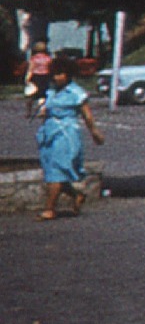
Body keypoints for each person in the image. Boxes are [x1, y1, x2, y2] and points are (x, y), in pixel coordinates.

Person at [36, 59, 102, 219]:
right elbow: (48, 109)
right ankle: (76, 195)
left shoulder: (76, 93)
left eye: (60, 74)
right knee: (52, 170)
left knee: (57, 170)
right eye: (54, 74)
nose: (56, 77)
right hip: (50, 133)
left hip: (66, 135)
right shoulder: (52, 92)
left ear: (68, 74)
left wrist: (95, 133)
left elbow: (87, 115)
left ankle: (50, 209)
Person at [23, 39, 50, 118]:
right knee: (42, 95)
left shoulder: (34, 59)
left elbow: (30, 69)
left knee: (31, 95)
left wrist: (27, 78)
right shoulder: (48, 59)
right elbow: (50, 68)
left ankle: (28, 111)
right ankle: (42, 110)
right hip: (45, 77)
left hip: (35, 77)